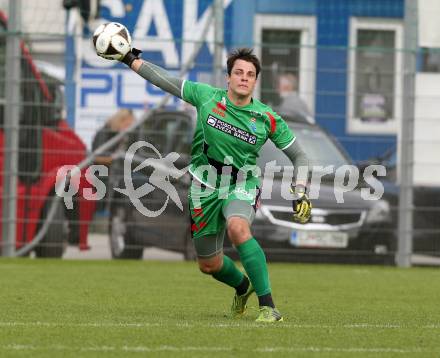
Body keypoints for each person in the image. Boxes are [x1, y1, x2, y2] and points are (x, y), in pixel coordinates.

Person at [96, 43, 312, 323]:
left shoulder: (267, 118)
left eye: (250, 74)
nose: (244, 77)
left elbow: (299, 155)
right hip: (203, 186)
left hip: (241, 184)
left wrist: (301, 191)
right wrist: (129, 59)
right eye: (239, 72)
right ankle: (242, 287)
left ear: (255, 81)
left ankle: (268, 306)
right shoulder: (207, 97)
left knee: (238, 227)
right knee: (209, 265)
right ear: (229, 78)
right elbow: (166, 81)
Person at [92, 108, 135, 211]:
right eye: (127, 124)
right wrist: (114, 159)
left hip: (111, 178)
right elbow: (97, 157)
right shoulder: (105, 133)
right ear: (120, 120)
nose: (128, 128)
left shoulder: (119, 135)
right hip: (100, 178)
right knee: (99, 208)